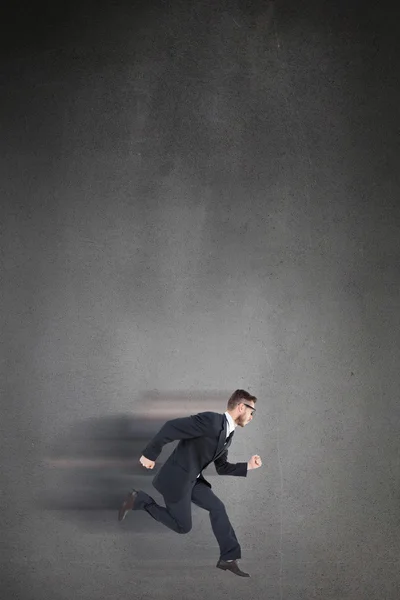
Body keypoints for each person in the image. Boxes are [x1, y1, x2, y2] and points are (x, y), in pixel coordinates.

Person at [118, 389, 262, 577]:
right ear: (241, 407)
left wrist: (248, 466)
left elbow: (222, 467)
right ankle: (139, 500)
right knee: (183, 527)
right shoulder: (211, 421)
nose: (252, 417)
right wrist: (149, 454)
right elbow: (171, 427)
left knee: (217, 507)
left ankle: (228, 558)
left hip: (193, 480)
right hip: (176, 480)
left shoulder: (228, 435)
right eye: (252, 412)